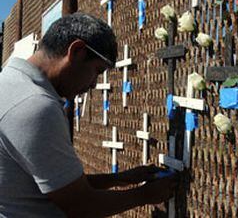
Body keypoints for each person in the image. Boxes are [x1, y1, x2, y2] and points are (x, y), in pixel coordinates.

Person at [0, 13, 177, 217]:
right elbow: (80, 205)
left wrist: (118, 179)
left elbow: (54, 187)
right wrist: (145, 195)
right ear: (76, 51)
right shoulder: (35, 106)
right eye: (97, 70)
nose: (93, 83)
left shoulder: (9, 84)